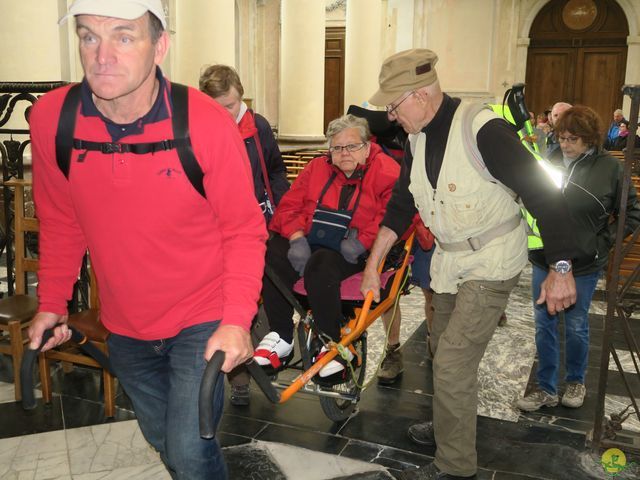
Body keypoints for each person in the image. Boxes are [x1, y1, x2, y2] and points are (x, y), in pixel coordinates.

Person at [27, 1, 267, 479]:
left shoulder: (204, 122)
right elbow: (61, 220)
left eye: (123, 36)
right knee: (168, 444)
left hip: (203, 317)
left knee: (187, 452)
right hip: (126, 324)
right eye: (88, 36)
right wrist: (53, 300)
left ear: (159, 46)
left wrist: (237, 320)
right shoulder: (53, 119)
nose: (102, 55)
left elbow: (243, 229)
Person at [361, 49, 578, 480]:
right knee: (444, 351)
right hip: (449, 261)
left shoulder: (484, 130)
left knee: (453, 361)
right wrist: (373, 263)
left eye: (393, 105)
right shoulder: (416, 136)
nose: (389, 116)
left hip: (492, 261)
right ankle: (449, 425)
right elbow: (402, 206)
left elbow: (545, 196)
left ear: (421, 95)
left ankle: (455, 466)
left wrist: (561, 268)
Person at [253, 114, 400, 378]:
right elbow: (288, 207)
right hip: (313, 238)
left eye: (352, 146)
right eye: (337, 147)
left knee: (321, 264)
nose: (344, 153)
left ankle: (330, 342)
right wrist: (296, 237)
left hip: (354, 248)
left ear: (367, 146)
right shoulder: (316, 169)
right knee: (271, 250)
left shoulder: (387, 171)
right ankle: (282, 337)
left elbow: (395, 216)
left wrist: (363, 240)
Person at [517, 106, 640, 412]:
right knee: (544, 324)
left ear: (590, 139)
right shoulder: (548, 160)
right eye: (561, 137)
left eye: (573, 139)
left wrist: (602, 242)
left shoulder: (610, 169)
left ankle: (575, 380)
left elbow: (632, 213)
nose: (566, 144)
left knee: (575, 325)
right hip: (544, 258)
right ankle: (545, 387)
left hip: (584, 263)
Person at [199, 64, 289, 406]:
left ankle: (253, 366)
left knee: (253, 297)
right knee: (223, 300)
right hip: (212, 229)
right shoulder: (197, 130)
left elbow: (275, 169)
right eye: (219, 106)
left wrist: (279, 208)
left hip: (254, 225)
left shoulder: (257, 126)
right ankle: (234, 375)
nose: (227, 113)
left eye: (233, 105)